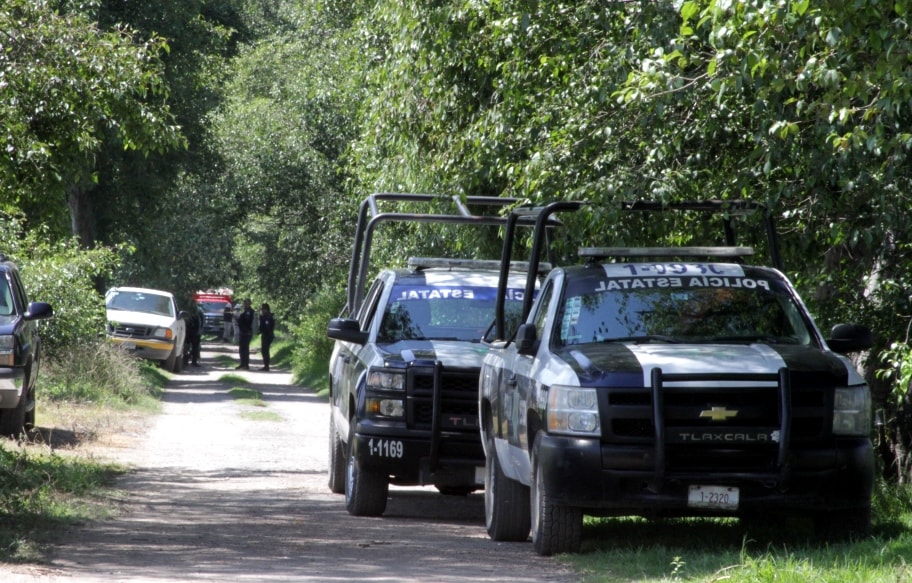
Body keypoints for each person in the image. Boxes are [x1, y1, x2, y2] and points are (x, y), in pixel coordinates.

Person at [235, 298, 255, 369]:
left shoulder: (250, 311)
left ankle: (246, 364)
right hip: (243, 332)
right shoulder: (245, 311)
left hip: (246, 332)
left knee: (245, 349)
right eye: (244, 303)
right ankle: (242, 363)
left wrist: (239, 319)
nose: (245, 305)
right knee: (242, 349)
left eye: (246, 303)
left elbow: (247, 321)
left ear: (249, 303)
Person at [185, 302, 204, 367]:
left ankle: (188, 361)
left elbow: (201, 322)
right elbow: (202, 322)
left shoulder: (188, 311)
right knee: (193, 347)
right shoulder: (198, 311)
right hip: (193, 332)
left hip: (192, 332)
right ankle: (192, 361)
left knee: (192, 347)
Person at [258, 303, 275, 371]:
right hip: (267, 334)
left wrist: (263, 331)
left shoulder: (267, 316)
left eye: (263, 309)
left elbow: (267, 326)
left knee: (265, 350)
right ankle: (266, 365)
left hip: (267, 335)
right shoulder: (266, 316)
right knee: (264, 350)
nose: (262, 310)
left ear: (266, 309)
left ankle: (266, 366)